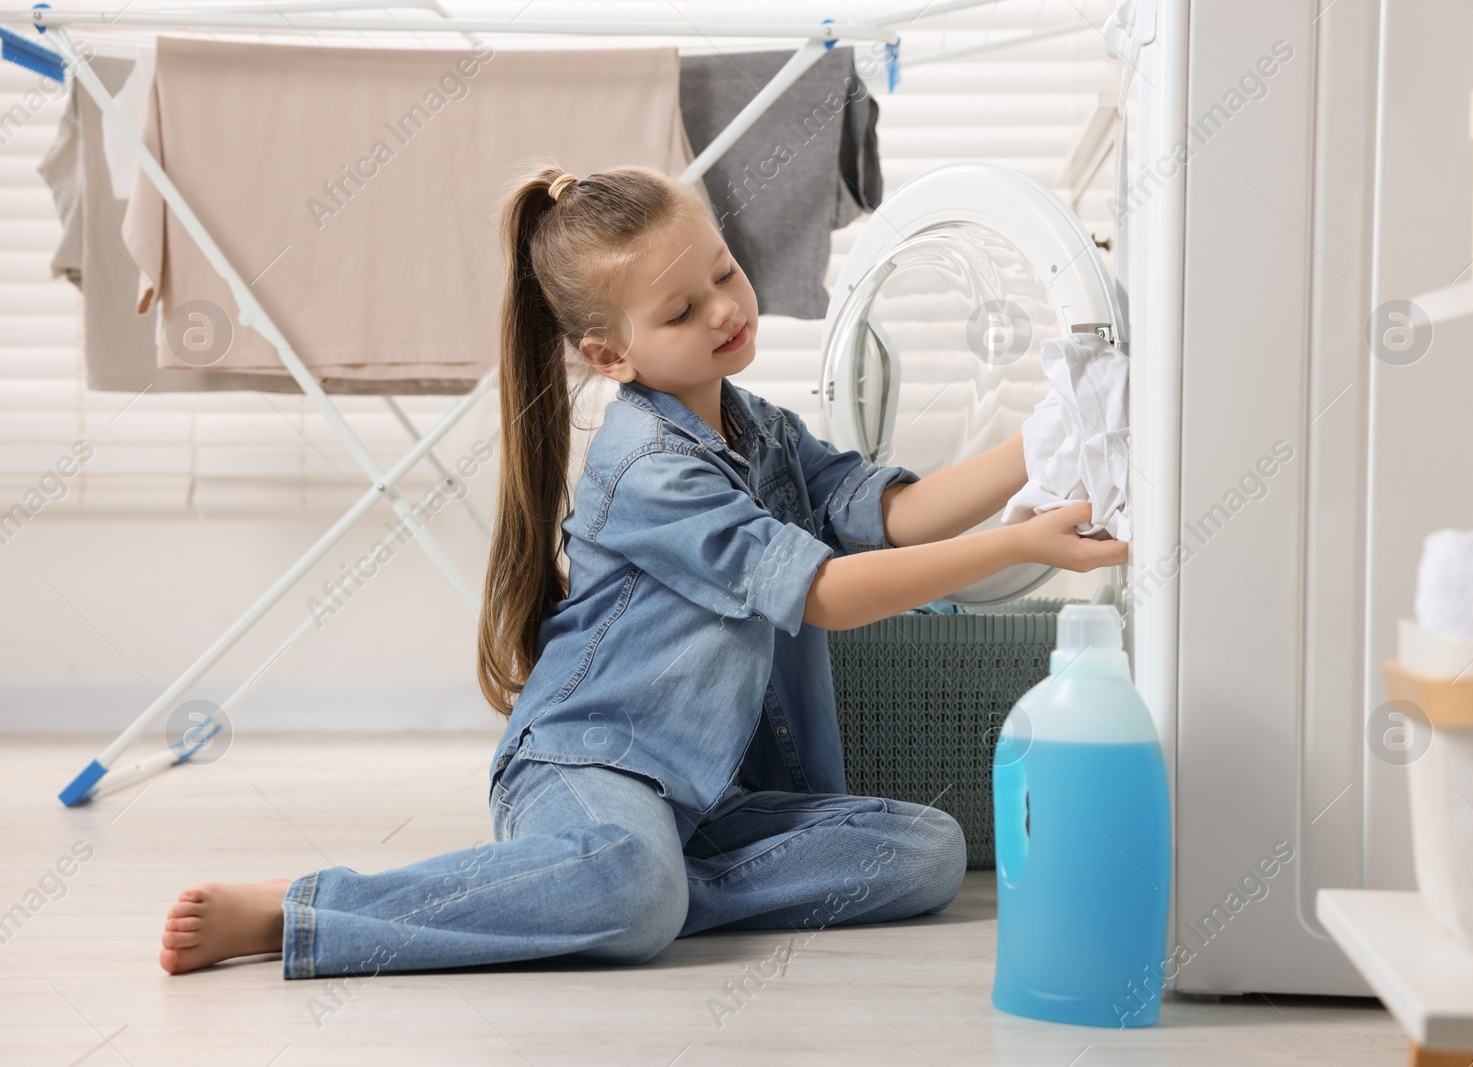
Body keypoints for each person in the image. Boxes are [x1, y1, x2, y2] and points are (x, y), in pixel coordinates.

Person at [157, 163, 1128, 978]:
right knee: (632, 879)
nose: (723, 309)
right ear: (608, 354)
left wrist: (1046, 439)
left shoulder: (761, 427)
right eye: (680, 308)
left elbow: (889, 514)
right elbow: (826, 594)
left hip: (711, 794)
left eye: (724, 273)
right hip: (589, 768)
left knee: (926, 852)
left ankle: (612, 890)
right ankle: (308, 912)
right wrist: (1016, 541)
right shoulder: (647, 469)